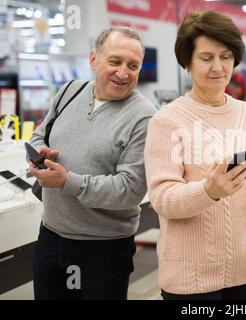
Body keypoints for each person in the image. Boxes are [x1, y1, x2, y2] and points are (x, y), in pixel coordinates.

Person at [144, 11, 246, 300]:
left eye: (225, 57)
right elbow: (161, 199)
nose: (217, 67)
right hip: (190, 281)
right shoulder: (167, 121)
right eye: (206, 57)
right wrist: (208, 191)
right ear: (187, 61)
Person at [29, 27, 157, 300]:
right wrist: (39, 150)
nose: (123, 72)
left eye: (132, 66)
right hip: (50, 237)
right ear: (93, 60)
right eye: (115, 61)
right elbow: (42, 132)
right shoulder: (69, 91)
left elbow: (130, 189)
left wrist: (68, 182)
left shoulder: (143, 117)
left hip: (103, 251)